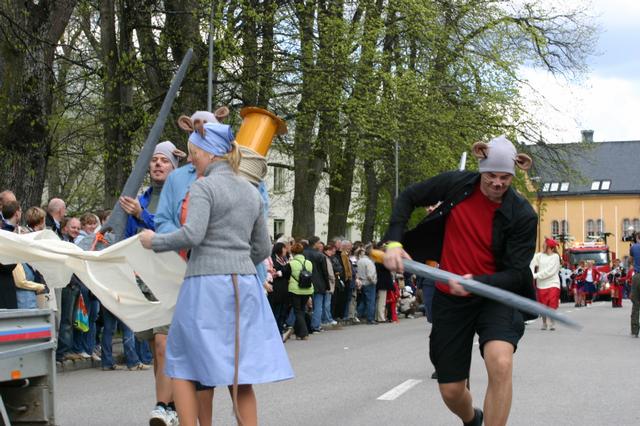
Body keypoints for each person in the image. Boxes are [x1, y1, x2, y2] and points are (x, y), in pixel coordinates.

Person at [139, 121, 293, 426]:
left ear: (210, 154)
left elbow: (192, 235)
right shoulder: (251, 191)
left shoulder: (203, 187)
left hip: (205, 285)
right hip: (244, 286)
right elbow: (263, 247)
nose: (191, 159)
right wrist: (237, 261)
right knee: (241, 372)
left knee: (183, 363)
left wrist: (154, 241)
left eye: (194, 153)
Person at [383, 135, 537, 426]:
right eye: (491, 176)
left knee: (501, 362)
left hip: (495, 295)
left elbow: (517, 273)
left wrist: (475, 281)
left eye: (505, 177)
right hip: (450, 298)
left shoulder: (522, 215)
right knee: (452, 390)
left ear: (514, 174)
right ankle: (472, 419)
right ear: (481, 168)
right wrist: (393, 242)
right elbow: (409, 197)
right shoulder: (456, 184)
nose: (497, 183)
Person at [120, 140, 184, 426]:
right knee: (157, 351)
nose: (158, 163)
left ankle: (163, 406)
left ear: (175, 166)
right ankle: (171, 407)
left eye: (165, 160)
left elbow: (176, 233)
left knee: (163, 344)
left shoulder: (181, 196)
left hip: (172, 279)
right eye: (155, 159)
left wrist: (141, 215)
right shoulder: (141, 198)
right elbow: (130, 240)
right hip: (145, 282)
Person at [530, 238, 561, 330]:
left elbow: (550, 271)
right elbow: (531, 263)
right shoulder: (539, 256)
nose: (543, 245)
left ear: (549, 247)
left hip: (553, 283)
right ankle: (544, 323)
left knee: (552, 303)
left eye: (544, 244)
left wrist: (535, 275)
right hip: (541, 284)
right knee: (543, 306)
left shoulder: (555, 257)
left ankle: (552, 322)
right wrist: (531, 273)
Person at [288, 242, 314, 340]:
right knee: (302, 310)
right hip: (307, 289)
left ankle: (304, 332)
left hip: (295, 289)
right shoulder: (309, 263)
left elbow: (286, 274)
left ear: (293, 252)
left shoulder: (291, 263)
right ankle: (298, 333)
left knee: (297, 311)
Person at [356, 244, 378, 324]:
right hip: (369, 283)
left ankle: (358, 315)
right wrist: (374, 281)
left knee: (363, 301)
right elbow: (370, 275)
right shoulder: (369, 262)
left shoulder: (360, 261)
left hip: (362, 282)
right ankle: (370, 318)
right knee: (370, 301)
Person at [629, 233, 640, 337]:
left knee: (636, 303)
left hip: (637, 276)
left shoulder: (634, 247)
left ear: (637, 238)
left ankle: (635, 331)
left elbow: (630, 261)